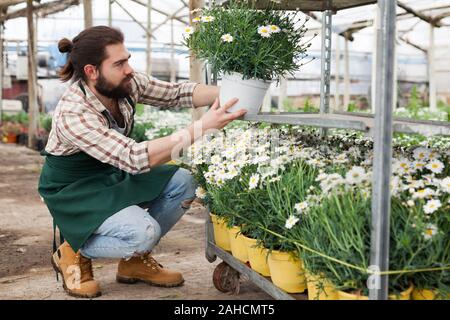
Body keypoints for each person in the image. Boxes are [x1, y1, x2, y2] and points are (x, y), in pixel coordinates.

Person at [38, 26, 246, 298]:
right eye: (119, 63)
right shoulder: (74, 111)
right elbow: (134, 158)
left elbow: (177, 93)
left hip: (110, 174)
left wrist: (235, 93)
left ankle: (133, 263)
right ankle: (73, 249)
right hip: (74, 190)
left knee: (185, 181)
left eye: (128, 59)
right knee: (142, 233)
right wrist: (201, 128)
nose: (129, 69)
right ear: (92, 71)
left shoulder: (124, 83)